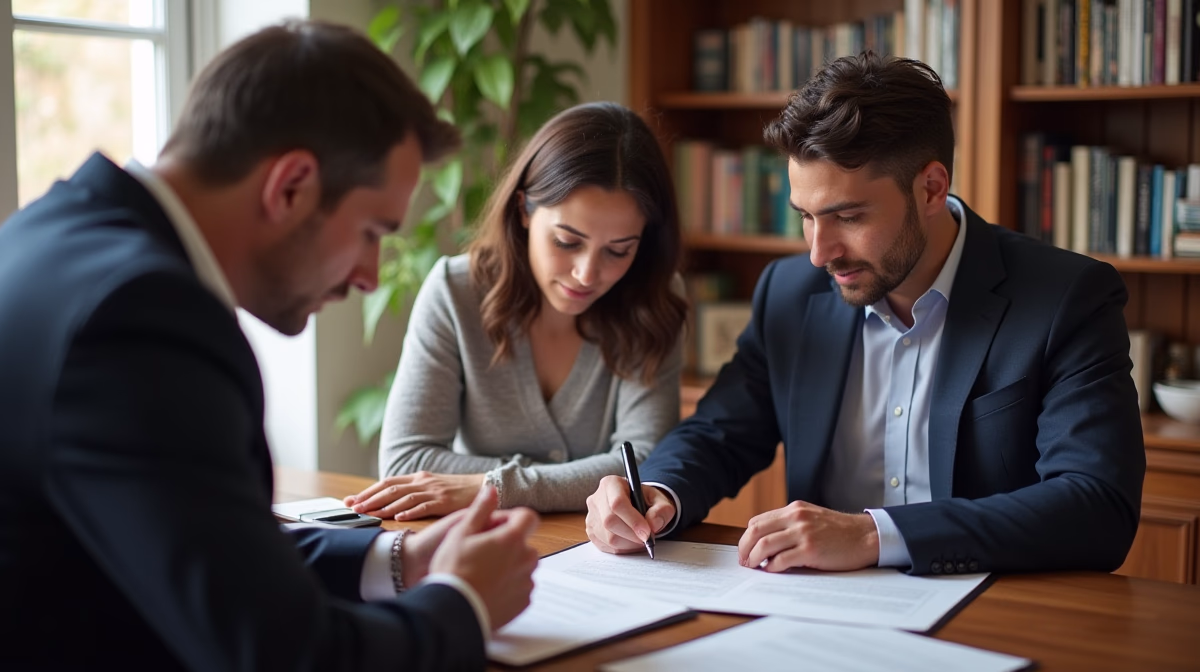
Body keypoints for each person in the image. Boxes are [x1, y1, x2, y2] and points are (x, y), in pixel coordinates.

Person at [0, 20, 539, 671]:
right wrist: (464, 602)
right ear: (290, 186)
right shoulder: (142, 318)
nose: (370, 276)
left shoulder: (50, 234)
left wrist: (396, 559)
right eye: (373, 231)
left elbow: (199, 541)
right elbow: (285, 658)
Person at [585, 51, 1146, 577]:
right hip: (817, 610)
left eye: (847, 216)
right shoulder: (789, 290)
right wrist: (656, 495)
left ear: (931, 188)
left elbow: (1096, 505)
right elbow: (719, 433)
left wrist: (875, 535)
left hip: (988, 611)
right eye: (805, 216)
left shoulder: (1067, 297)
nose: (817, 252)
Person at [345, 102, 688, 521]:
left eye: (619, 250)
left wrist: (489, 487)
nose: (586, 273)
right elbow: (406, 464)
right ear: (524, 210)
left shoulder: (654, 299)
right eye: (566, 241)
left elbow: (643, 467)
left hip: (597, 553)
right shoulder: (456, 292)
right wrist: (573, 481)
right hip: (478, 543)